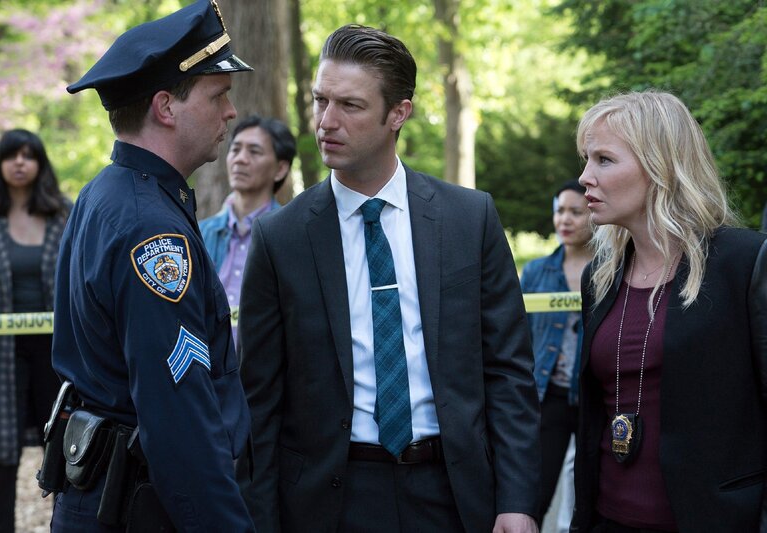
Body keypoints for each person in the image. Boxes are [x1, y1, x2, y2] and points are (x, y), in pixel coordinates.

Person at [235, 24, 540, 533]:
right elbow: (258, 403)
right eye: (320, 101)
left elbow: (508, 372)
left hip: (453, 493)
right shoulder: (280, 238)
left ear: (399, 113)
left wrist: (517, 500)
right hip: (329, 501)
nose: (326, 122)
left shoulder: (469, 219)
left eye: (350, 106)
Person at [50, 1, 255, 530]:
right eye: (218, 95)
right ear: (166, 107)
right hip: (139, 509)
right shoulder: (152, 230)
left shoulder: (108, 193)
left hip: (105, 497)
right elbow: (178, 420)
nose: (230, 112)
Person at [573, 90, 767, 532]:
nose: (585, 176)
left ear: (660, 166)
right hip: (608, 519)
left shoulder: (745, 262)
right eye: (587, 159)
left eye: (604, 160)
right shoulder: (599, 277)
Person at [0, 128, 70, 532]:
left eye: (29, 155)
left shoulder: (64, 215)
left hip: (58, 352)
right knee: (1, 454)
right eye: (12, 155)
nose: (20, 163)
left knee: (66, 448)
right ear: (0, 164)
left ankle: (67, 524)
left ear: (41, 164)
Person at [520, 180, 592, 527]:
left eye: (576, 212)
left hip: (596, 399)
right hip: (547, 397)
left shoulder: (615, 268)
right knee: (533, 495)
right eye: (560, 210)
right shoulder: (535, 272)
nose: (565, 219)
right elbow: (517, 336)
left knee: (593, 497)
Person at [200, 115, 295, 343]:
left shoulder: (292, 235)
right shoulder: (200, 234)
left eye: (254, 151)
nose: (240, 159)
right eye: (235, 150)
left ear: (280, 169)